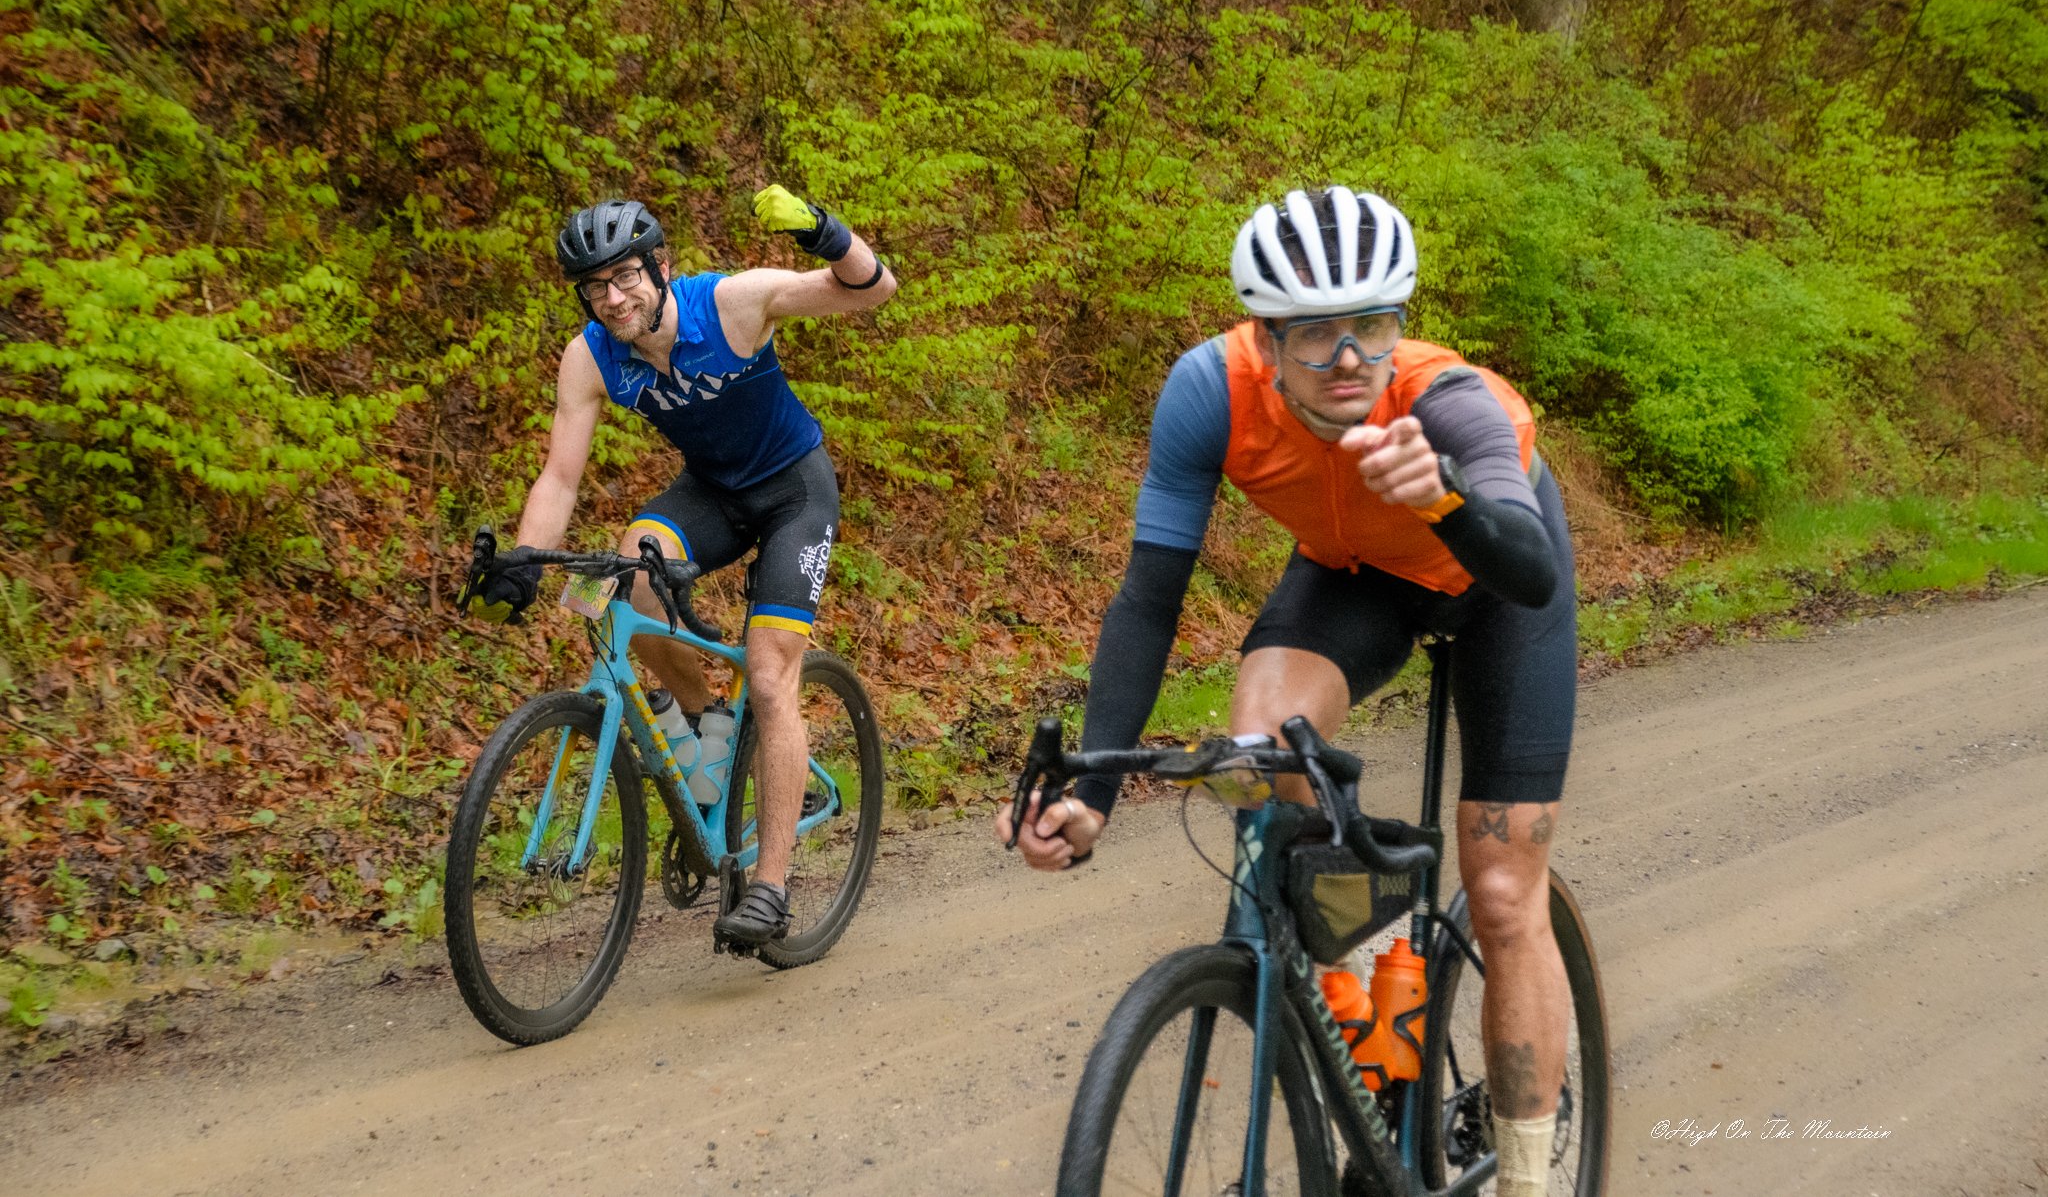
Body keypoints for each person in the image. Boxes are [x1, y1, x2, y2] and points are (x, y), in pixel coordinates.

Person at [995, 187, 1575, 1197]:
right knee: (1265, 753)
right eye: (1314, 335)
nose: (1349, 358)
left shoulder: (1446, 400)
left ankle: (1525, 1174)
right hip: (1356, 577)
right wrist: (1088, 792)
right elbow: (1147, 599)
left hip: (1492, 578)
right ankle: (1370, 1037)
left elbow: (1526, 567)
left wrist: (1441, 494)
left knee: (1497, 885)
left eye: (1372, 325)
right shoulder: (1206, 394)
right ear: (1262, 338)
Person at [466, 187, 897, 947]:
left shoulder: (731, 304)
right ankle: (706, 722)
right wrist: (525, 562)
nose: (614, 296)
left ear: (661, 266)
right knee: (616, 583)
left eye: (627, 275)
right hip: (712, 493)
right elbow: (560, 477)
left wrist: (824, 231)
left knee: (769, 677)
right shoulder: (590, 355)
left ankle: (770, 887)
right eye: (595, 286)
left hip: (793, 490)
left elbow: (872, 288)